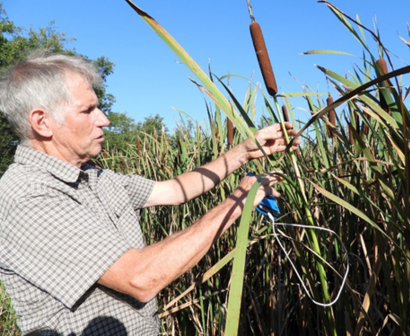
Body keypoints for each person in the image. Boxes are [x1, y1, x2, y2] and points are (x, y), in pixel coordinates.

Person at [0, 50, 298, 335]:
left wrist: (244, 152)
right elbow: (141, 277)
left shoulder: (95, 176)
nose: (104, 119)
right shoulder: (27, 197)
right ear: (42, 122)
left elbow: (174, 191)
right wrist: (240, 201)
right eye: (88, 110)